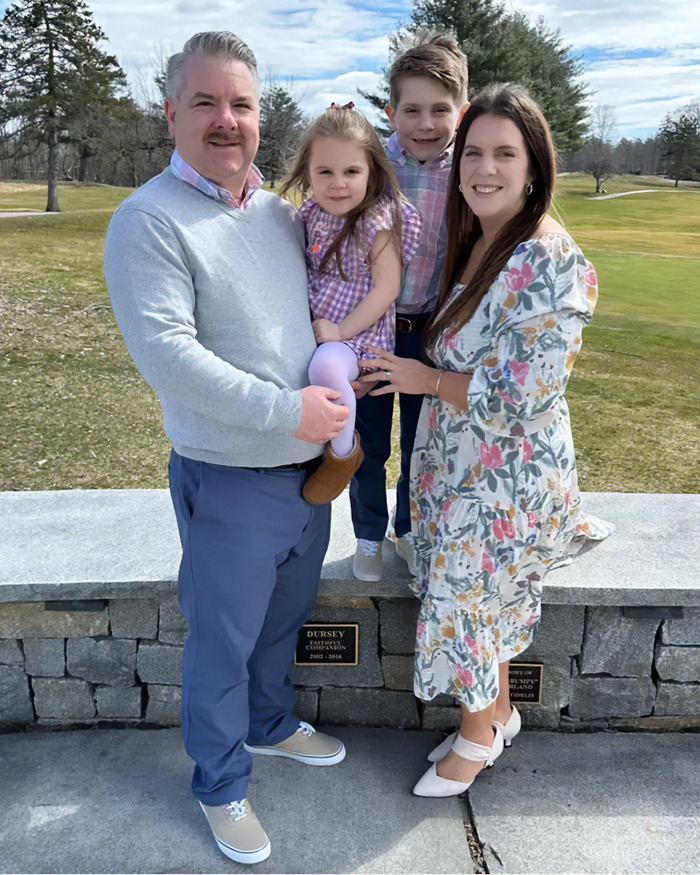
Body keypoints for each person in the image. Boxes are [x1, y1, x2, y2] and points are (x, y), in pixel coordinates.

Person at [104, 31, 348, 865]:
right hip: (232, 476)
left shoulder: (282, 213)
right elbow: (168, 356)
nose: (226, 120)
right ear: (170, 111)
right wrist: (289, 411)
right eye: (205, 102)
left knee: (280, 623)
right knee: (223, 640)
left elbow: (371, 225)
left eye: (240, 104)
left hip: (308, 475)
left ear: (258, 117)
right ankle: (219, 781)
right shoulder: (148, 221)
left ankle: (271, 723)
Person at [359, 84, 614, 797]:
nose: (484, 167)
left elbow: (518, 395)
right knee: (482, 603)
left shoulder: (548, 260)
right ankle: (498, 714)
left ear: (534, 165)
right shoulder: (481, 240)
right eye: (474, 152)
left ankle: (477, 735)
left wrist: (421, 378)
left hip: (507, 478)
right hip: (462, 467)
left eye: (505, 152)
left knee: (467, 600)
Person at [349, 34, 469, 582]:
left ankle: (409, 532)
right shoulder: (370, 164)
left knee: (423, 445)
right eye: (412, 109)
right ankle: (368, 536)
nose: (425, 123)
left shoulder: (469, 172)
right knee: (368, 441)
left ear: (461, 111)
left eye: (440, 109)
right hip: (373, 330)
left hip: (432, 333)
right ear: (391, 110)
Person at [280, 104, 422, 506]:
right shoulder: (309, 214)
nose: (338, 183)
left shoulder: (377, 221)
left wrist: (341, 332)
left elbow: (387, 288)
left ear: (371, 172)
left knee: (325, 366)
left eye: (351, 172)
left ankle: (341, 458)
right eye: (325, 172)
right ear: (308, 174)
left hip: (359, 337)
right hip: (324, 332)